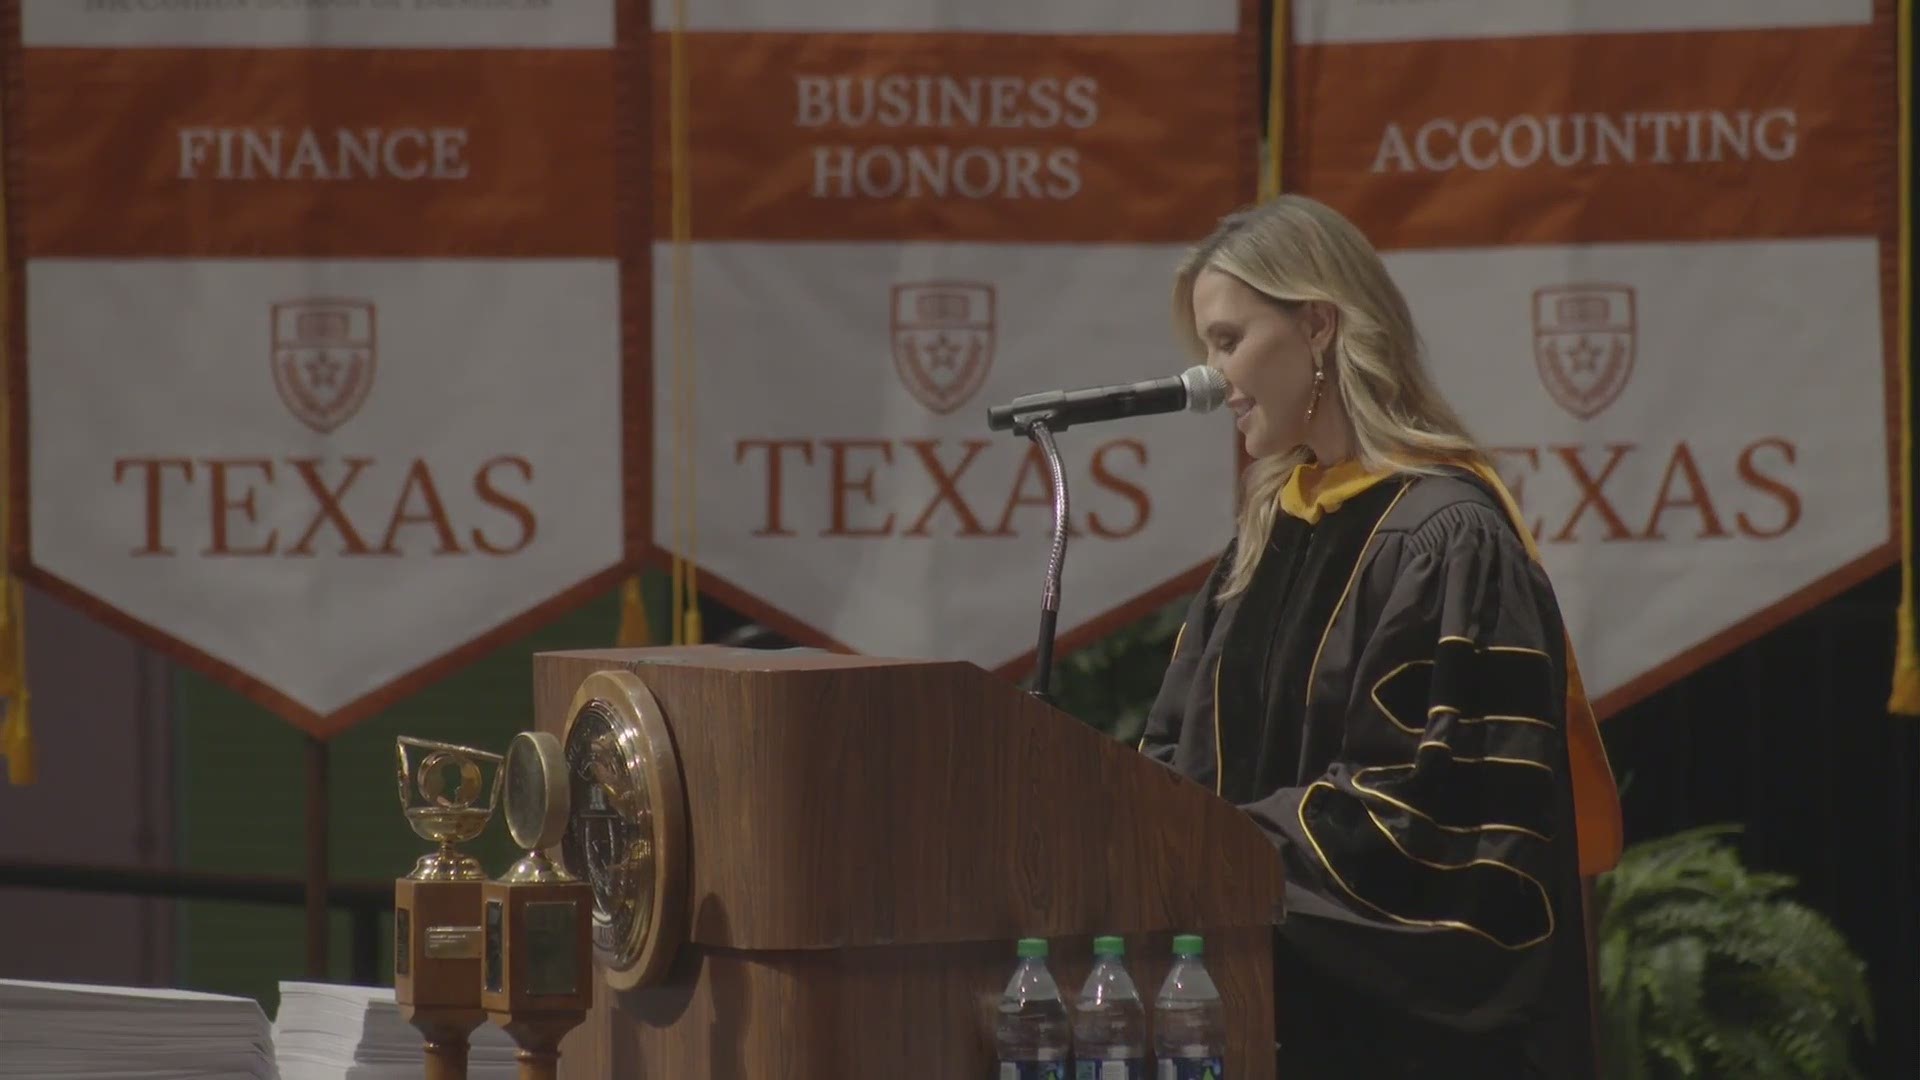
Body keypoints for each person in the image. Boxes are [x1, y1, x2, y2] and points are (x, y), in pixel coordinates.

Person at [1135, 195, 1623, 1077]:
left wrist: (1208, 857)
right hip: (1255, 1013)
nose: (1212, 380)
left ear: (1318, 325)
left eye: (1227, 340)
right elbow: (1173, 757)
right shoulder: (1262, 539)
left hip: (1400, 1041)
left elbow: (1426, 807)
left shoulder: (1447, 536)